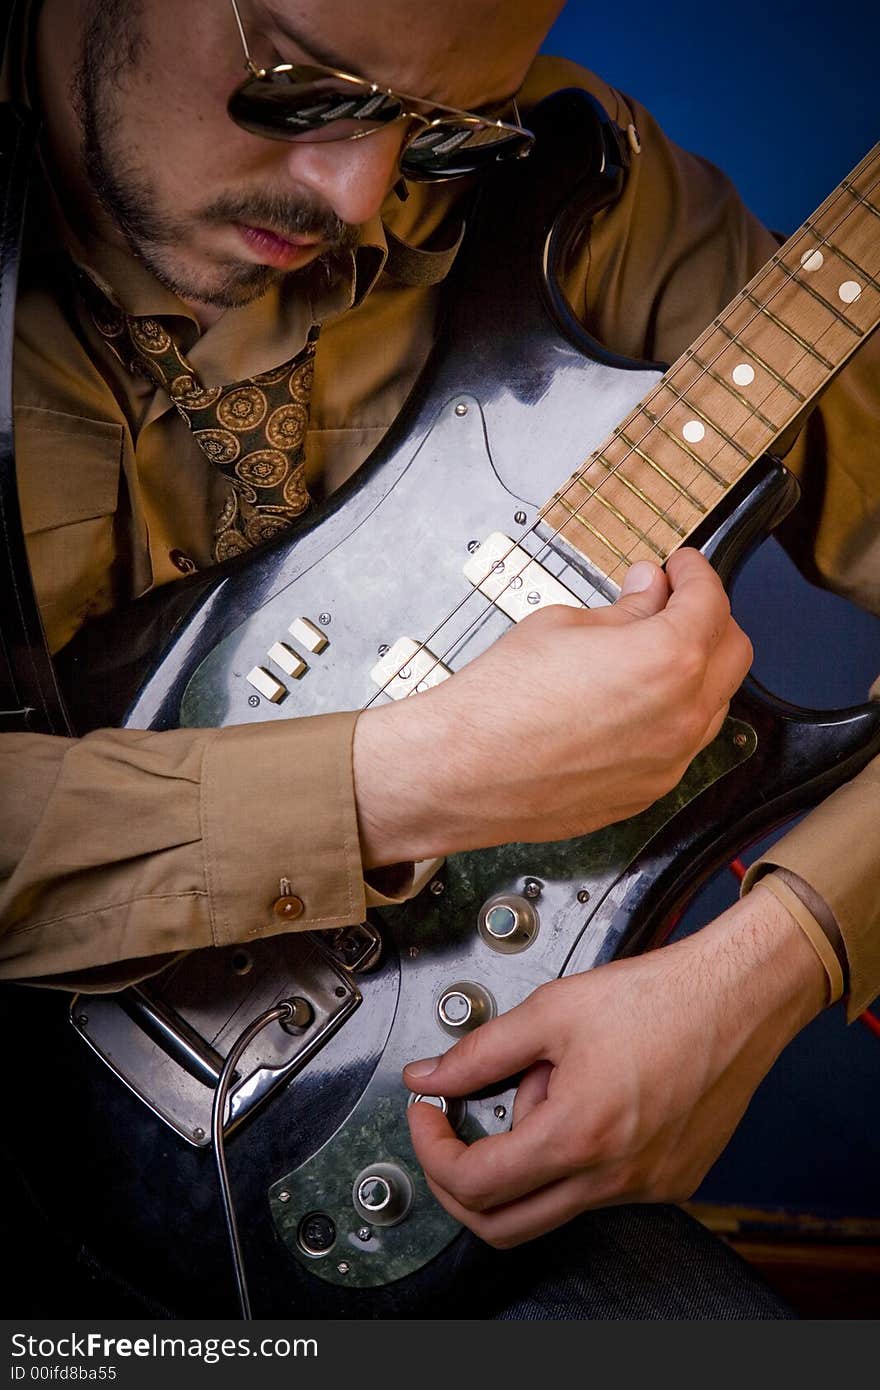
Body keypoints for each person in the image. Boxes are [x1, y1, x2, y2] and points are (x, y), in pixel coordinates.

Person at [1, 0, 877, 1318]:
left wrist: (770, 964)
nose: (360, 191)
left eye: (437, 127)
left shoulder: (579, 180)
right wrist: (414, 774)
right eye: (304, 85)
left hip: (409, 1155)